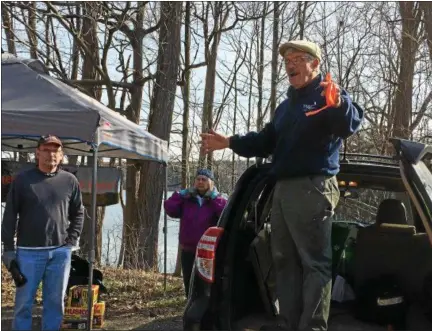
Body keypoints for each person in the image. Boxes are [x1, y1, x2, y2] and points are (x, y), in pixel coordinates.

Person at [200, 40, 364, 331]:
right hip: (282, 190)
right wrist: (229, 142)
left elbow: (349, 123)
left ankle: (312, 327)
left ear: (315, 64)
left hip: (313, 188)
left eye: (299, 58)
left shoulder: (328, 96)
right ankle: (289, 323)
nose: (291, 64)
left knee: (314, 264)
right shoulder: (286, 108)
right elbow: (264, 141)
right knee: (284, 261)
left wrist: (339, 103)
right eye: (288, 60)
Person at [2, 135, 84, 331]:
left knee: (55, 304)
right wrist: (8, 250)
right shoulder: (23, 180)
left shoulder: (70, 181)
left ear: (62, 155)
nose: (51, 154)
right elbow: (10, 215)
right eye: (46, 150)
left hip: (60, 254)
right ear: (37, 153)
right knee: (23, 304)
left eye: (55, 150)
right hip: (28, 253)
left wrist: (70, 241)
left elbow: (79, 212)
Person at [164, 169, 227, 297]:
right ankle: (190, 307)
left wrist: (214, 198)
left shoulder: (218, 199)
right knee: (189, 281)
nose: (200, 182)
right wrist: (180, 194)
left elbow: (225, 215)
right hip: (188, 249)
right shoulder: (187, 199)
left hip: (208, 251)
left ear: (211, 183)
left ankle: (207, 310)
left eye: (204, 179)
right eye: (198, 179)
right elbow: (170, 208)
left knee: (206, 284)